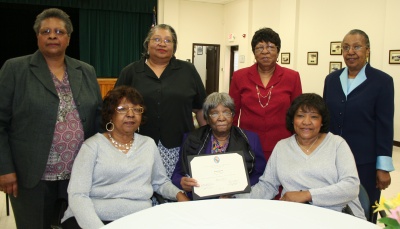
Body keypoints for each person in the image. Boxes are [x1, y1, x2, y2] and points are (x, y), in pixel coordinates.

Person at [0, 8, 102, 229]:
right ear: (37, 36)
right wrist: (4, 168)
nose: (53, 35)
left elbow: (97, 118)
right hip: (32, 175)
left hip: (79, 173)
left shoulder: (86, 71)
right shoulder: (15, 69)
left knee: (76, 225)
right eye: (46, 31)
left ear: (68, 38)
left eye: (59, 31)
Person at [61, 86, 189, 229]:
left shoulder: (148, 144)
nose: (130, 114)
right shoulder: (92, 146)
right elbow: (78, 195)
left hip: (138, 220)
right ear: (110, 115)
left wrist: (179, 194)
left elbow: (160, 182)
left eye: (136, 109)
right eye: (122, 109)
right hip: (92, 220)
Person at [238, 93, 365, 219]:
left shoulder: (337, 144)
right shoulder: (282, 147)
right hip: (295, 215)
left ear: (322, 121)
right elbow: (268, 186)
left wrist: (306, 195)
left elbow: (351, 186)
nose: (306, 122)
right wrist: (235, 198)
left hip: (337, 214)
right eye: (300, 116)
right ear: (292, 120)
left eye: (314, 117)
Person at [115, 24, 207, 178]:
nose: (162, 44)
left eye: (168, 40)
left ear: (174, 46)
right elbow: (115, 108)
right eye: (156, 39)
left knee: (177, 190)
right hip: (138, 146)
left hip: (180, 146)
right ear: (147, 44)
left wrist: (208, 141)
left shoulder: (188, 71)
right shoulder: (131, 72)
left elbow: (201, 108)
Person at [323, 29, 394, 222]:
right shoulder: (331, 80)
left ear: (368, 50)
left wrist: (383, 168)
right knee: (334, 206)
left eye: (356, 47)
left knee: (364, 208)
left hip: (365, 161)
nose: (350, 52)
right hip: (333, 158)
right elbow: (325, 119)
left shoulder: (382, 82)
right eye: (345, 47)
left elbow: (385, 126)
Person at [171, 92, 266, 199]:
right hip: (200, 203)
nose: (221, 118)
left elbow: (260, 174)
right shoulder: (192, 138)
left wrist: (236, 192)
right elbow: (177, 174)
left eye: (226, 112)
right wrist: (181, 182)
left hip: (236, 201)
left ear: (233, 115)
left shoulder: (250, 139)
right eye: (215, 113)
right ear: (207, 118)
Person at [229, 27, 302, 162]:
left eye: (270, 47)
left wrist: (298, 141)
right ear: (254, 52)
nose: (265, 52)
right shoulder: (240, 76)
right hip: (248, 142)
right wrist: (232, 140)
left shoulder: (292, 77)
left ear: (278, 51)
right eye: (259, 48)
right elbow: (233, 112)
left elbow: (297, 113)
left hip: (282, 143)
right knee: (251, 180)